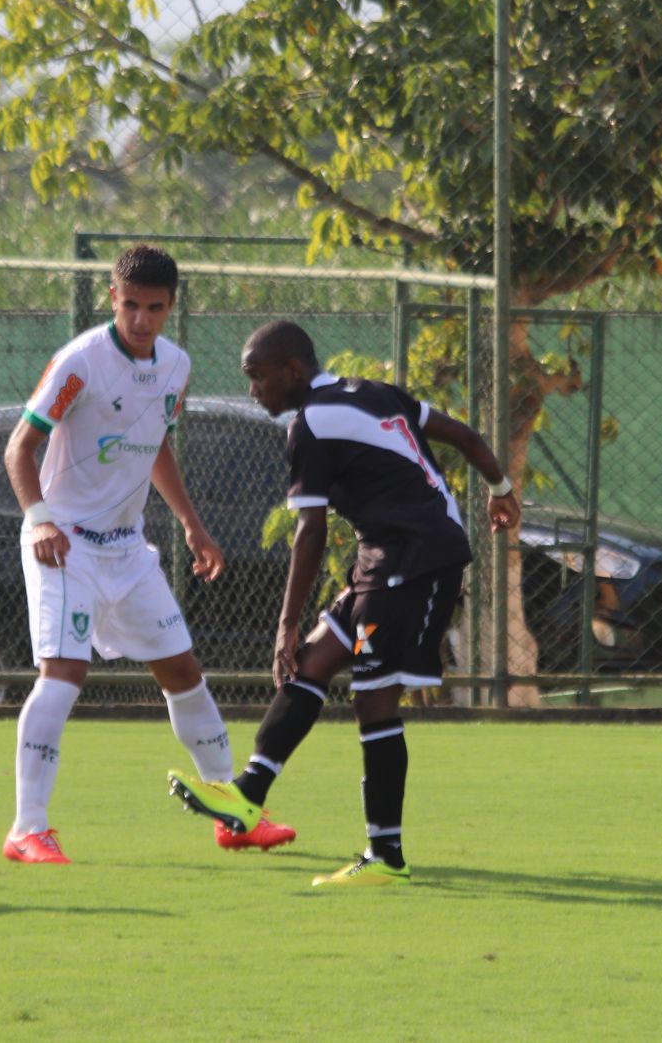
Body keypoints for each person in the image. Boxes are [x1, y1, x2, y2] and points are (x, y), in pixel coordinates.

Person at [167, 320, 519, 887]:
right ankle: (248, 796)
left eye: (258, 377)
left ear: (293, 371)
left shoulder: (310, 423)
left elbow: (310, 532)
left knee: (373, 701)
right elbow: (466, 437)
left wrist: (284, 624)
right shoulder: (376, 392)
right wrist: (501, 492)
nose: (252, 390)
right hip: (386, 557)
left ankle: (386, 857)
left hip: (415, 558)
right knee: (310, 662)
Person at [0, 244, 292, 864]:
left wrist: (193, 525)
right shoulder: (80, 361)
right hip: (65, 545)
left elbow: (155, 444)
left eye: (154, 308)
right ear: (113, 297)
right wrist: (41, 520)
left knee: (183, 671)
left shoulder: (176, 366)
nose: (140, 319)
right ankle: (28, 828)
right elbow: (18, 448)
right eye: (130, 304)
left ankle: (234, 814)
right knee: (63, 673)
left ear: (171, 307)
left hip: (128, 549)